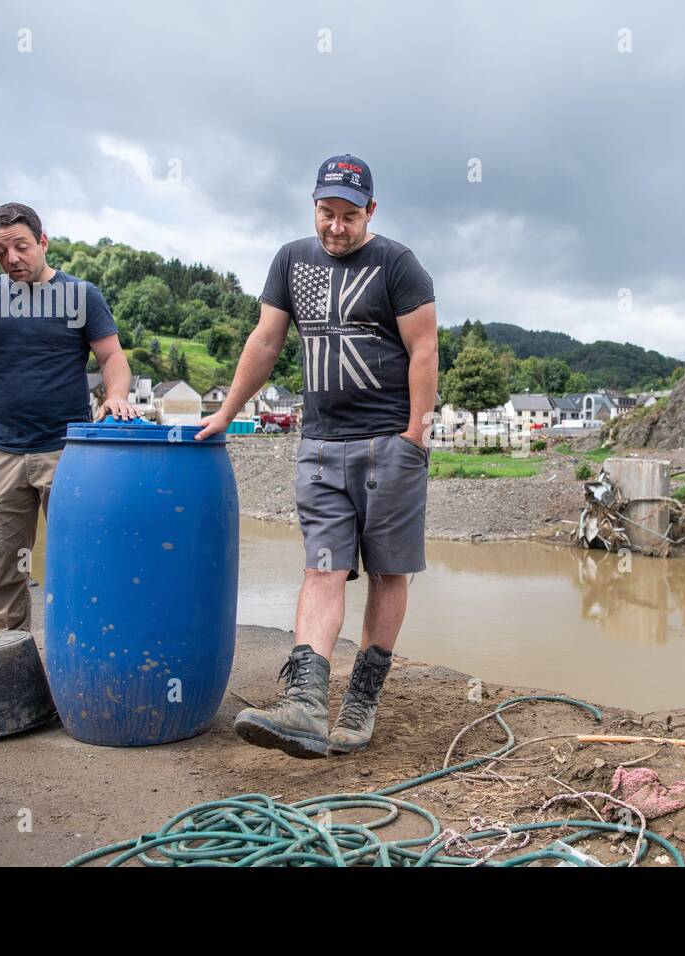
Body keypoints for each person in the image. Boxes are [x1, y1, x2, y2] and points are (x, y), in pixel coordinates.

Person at [196, 154, 438, 757]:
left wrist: (416, 436)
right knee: (321, 566)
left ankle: (362, 697)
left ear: (371, 212)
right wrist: (226, 412)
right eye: (325, 213)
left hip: (389, 444)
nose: (335, 226)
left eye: (349, 216)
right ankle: (305, 702)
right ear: (314, 207)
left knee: (387, 571)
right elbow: (266, 339)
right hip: (321, 445)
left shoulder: (398, 264)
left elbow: (425, 349)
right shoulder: (291, 260)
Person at [0, 202, 135, 633]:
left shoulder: (81, 295)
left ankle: (80, 668)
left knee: (82, 563)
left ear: (42, 242)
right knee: (2, 573)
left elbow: (112, 357)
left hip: (66, 453)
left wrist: (115, 395)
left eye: (21, 247)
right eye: (1, 251)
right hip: (0, 453)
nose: (13, 259)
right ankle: (11, 675)